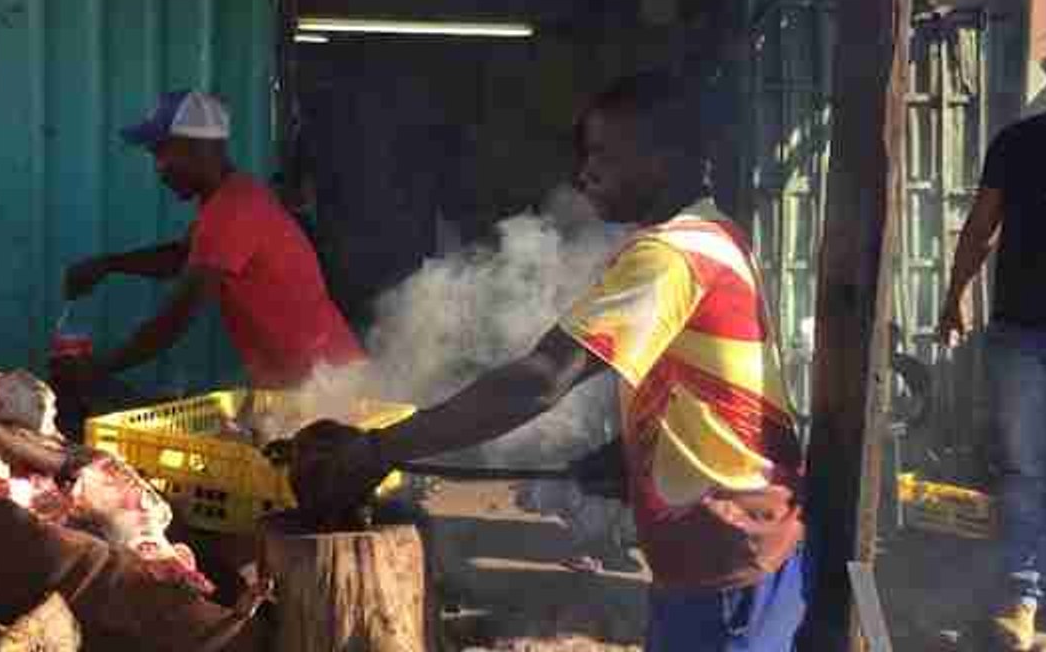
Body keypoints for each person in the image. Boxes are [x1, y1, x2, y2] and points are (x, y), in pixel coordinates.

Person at [288, 72, 808, 651]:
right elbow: (700, 387)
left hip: (727, 549)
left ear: (667, 156)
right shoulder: (716, 233)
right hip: (727, 542)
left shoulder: (671, 254)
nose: (586, 171)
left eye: (605, 153)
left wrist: (379, 448)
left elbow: (540, 380)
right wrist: (626, 456)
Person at [61, 90, 365, 391]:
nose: (158, 169)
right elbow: (182, 257)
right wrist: (108, 265)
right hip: (313, 378)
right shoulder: (227, 200)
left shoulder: (233, 209)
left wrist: (100, 367)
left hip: (327, 384)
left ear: (199, 148)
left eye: (162, 153)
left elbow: (177, 315)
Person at [938, 109, 1046, 651]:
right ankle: (1023, 602)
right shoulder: (1019, 142)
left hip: (1022, 339)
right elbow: (982, 226)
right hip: (1023, 333)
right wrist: (955, 292)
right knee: (1025, 470)